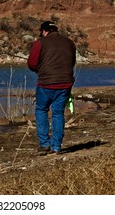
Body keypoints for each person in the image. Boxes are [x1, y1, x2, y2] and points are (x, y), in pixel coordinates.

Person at [27, 21, 76, 154]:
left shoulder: (41, 42)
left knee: (41, 110)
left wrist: (40, 70)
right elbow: (72, 62)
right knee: (58, 113)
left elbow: (31, 63)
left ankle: (44, 144)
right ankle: (56, 146)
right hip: (65, 83)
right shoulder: (69, 43)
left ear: (44, 31)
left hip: (46, 83)